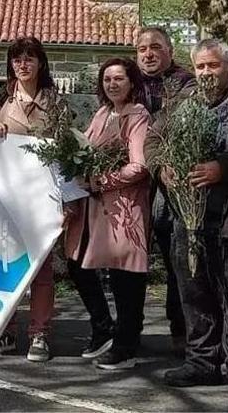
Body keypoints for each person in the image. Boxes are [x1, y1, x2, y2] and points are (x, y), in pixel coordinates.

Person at [147, 39, 228, 401]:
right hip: (188, 222)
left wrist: (222, 167)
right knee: (195, 295)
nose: (207, 73)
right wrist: (162, 167)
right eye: (201, 67)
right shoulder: (183, 103)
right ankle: (203, 362)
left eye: (213, 66)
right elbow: (154, 138)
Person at [0, 37, 66, 362]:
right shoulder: (0, 97)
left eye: (28, 59)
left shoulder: (55, 101)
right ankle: (7, 330)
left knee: (41, 269)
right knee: (7, 263)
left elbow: (67, 144)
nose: (22, 65)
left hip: (43, 196)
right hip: (6, 195)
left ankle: (39, 334)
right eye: (16, 60)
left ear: (40, 63)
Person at [62, 57, 151, 370]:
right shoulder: (103, 113)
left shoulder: (136, 115)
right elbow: (84, 149)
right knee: (77, 263)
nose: (112, 84)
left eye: (119, 79)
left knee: (124, 273)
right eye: (108, 79)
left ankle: (126, 341)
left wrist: (102, 180)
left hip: (123, 207)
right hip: (94, 206)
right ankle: (103, 326)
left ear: (131, 82)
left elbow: (139, 165)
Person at [135, 26, 194, 355]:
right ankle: (128, 329)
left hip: (166, 183)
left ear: (169, 51)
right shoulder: (128, 81)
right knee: (129, 262)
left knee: (176, 261)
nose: (148, 53)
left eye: (155, 47)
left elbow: (173, 128)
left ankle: (180, 329)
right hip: (129, 184)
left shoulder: (185, 83)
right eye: (142, 48)